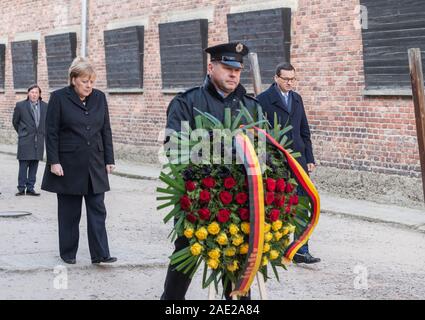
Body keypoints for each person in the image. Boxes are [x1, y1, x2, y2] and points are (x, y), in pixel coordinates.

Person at [162, 42, 260, 300]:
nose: (233, 74)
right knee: (184, 260)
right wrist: (224, 148)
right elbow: (174, 148)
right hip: (197, 202)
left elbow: (264, 153)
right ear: (210, 67)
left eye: (237, 70)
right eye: (227, 68)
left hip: (240, 204)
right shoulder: (187, 102)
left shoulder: (252, 107)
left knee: (238, 264)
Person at [41, 57, 117, 265]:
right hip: (67, 165)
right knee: (69, 212)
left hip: (94, 164)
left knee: (98, 210)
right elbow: (52, 132)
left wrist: (109, 159)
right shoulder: (58, 98)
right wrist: (53, 162)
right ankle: (68, 253)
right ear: (74, 79)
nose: (89, 86)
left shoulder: (100, 98)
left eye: (92, 81)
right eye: (85, 81)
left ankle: (101, 253)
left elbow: (105, 130)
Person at [257, 62, 321, 264]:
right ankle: (276, 248)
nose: (290, 83)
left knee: (303, 203)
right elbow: (259, 133)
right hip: (277, 162)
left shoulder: (297, 99)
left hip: (299, 161)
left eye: (293, 79)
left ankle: (301, 249)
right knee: (280, 204)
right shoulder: (263, 100)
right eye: (286, 79)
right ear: (276, 78)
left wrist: (309, 158)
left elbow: (305, 131)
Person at [12, 84, 47, 196]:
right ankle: (21, 188)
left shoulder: (45, 106)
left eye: (36, 92)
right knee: (23, 165)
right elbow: (15, 122)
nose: (34, 94)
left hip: (39, 141)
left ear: (39, 94)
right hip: (25, 141)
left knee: (34, 165)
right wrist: (22, 133)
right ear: (28, 93)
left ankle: (31, 188)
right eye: (32, 92)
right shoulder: (20, 106)